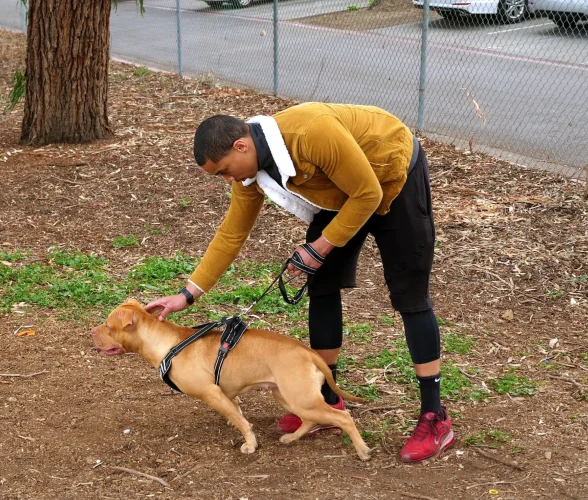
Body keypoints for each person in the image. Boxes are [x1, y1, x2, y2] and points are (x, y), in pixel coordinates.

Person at [144, 102, 454, 463]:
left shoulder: (311, 132)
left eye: (225, 171)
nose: (229, 180)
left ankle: (435, 416)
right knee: (320, 285)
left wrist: (319, 247)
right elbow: (232, 233)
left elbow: (368, 193)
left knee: (409, 297)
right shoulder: (249, 172)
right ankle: (325, 399)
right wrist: (187, 294)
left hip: (391, 174)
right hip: (344, 193)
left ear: (241, 146)